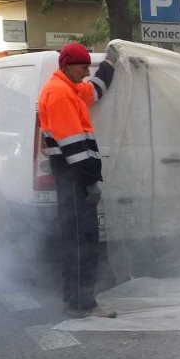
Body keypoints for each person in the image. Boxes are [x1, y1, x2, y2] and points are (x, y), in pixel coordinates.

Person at [38, 42, 116, 318]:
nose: (86, 71)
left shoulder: (68, 88)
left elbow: (94, 90)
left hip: (71, 176)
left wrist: (109, 64)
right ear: (67, 65)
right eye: (83, 66)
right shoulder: (60, 94)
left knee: (74, 240)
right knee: (83, 241)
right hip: (74, 175)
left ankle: (72, 299)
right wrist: (90, 181)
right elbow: (74, 147)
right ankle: (85, 304)